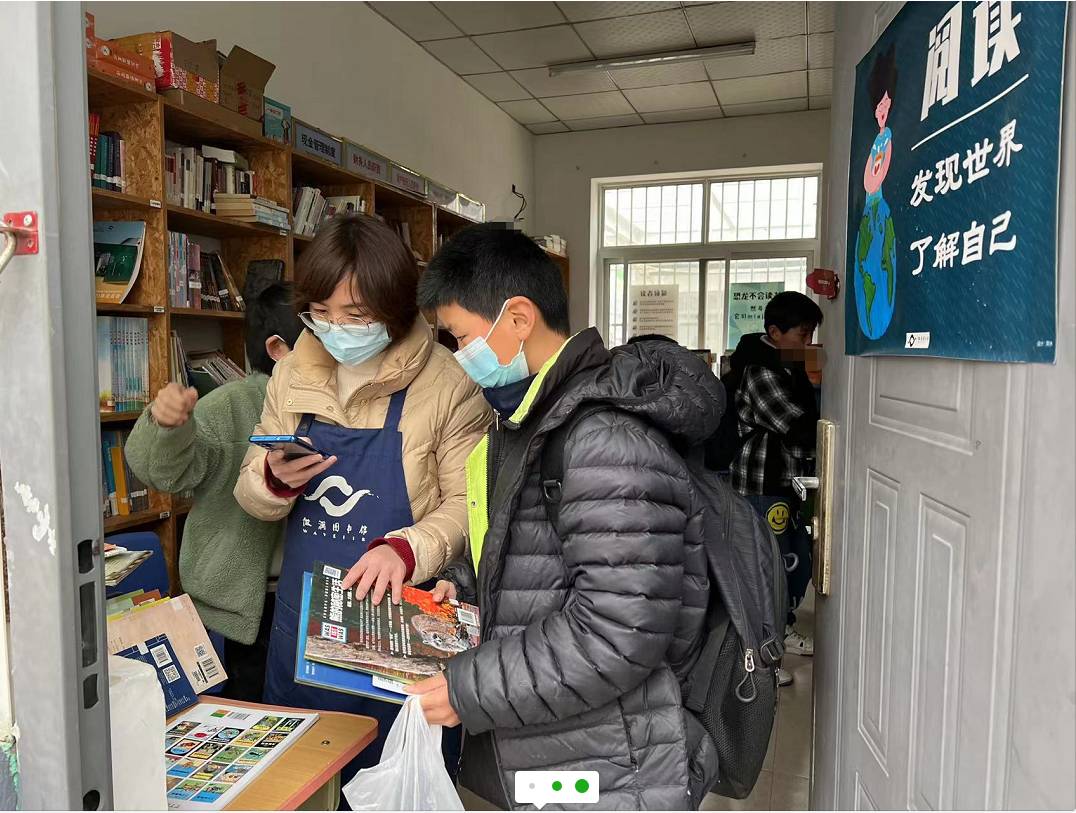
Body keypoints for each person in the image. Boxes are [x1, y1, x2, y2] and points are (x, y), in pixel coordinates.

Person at [408, 225, 721, 810]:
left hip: (607, 761)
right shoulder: (529, 421)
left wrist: (466, 689)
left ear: (518, 318)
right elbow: (536, 554)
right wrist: (465, 586)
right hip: (559, 741)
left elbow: (617, 632)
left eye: (461, 336)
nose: (458, 355)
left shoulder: (604, 441)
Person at [232, 215, 490, 775]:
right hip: (306, 622)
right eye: (320, 313)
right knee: (299, 781)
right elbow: (249, 489)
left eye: (355, 315)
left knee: (394, 781)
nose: (336, 329)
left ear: (395, 307)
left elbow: (469, 504)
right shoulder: (292, 374)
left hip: (400, 628)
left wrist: (406, 548)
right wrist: (272, 480)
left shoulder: (448, 382)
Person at [124, 281, 304, 701]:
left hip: (314, 595)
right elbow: (167, 473)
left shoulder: (341, 402)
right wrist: (167, 426)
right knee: (254, 709)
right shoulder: (231, 404)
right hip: (248, 605)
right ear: (278, 348)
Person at [726, 291, 822, 686]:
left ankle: (781, 629)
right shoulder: (760, 372)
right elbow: (796, 428)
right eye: (802, 334)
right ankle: (762, 653)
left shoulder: (787, 366)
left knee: (792, 561)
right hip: (761, 485)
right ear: (775, 332)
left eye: (811, 334)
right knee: (764, 568)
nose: (808, 342)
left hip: (786, 482)